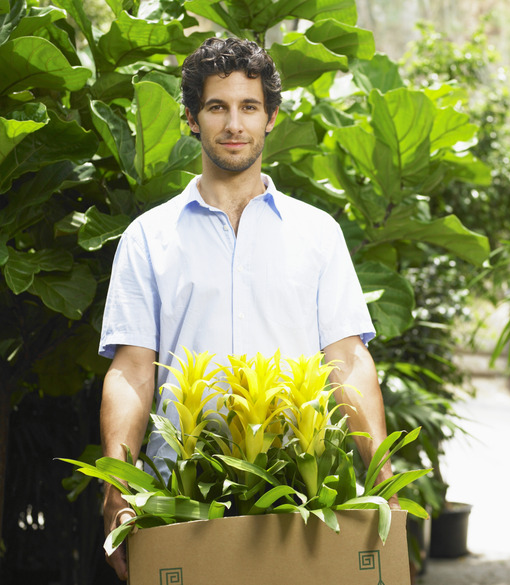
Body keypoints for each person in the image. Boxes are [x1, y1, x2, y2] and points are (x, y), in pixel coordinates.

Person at [98, 36, 395, 581]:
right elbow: (132, 368)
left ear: (271, 117)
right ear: (191, 118)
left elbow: (347, 359)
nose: (234, 123)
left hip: (299, 501)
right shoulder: (147, 238)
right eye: (217, 107)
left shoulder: (317, 234)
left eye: (248, 107)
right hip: (181, 500)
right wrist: (118, 486)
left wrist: (380, 476)